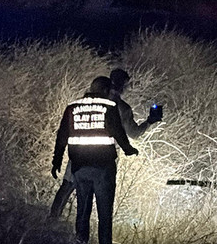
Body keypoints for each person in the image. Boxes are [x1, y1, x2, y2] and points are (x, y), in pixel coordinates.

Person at [50, 69, 162, 218]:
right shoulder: (121, 107)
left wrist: (57, 158)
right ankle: (95, 236)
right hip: (104, 159)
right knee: (102, 200)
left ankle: (53, 220)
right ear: (123, 85)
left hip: (78, 153)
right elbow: (133, 133)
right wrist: (149, 122)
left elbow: (64, 131)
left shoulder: (86, 102)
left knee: (68, 187)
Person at [52, 76, 138, 244]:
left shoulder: (72, 107)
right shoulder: (109, 107)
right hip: (103, 168)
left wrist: (56, 161)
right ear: (107, 91)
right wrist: (129, 150)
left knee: (83, 211)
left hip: (80, 167)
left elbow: (62, 135)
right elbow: (118, 132)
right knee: (104, 214)